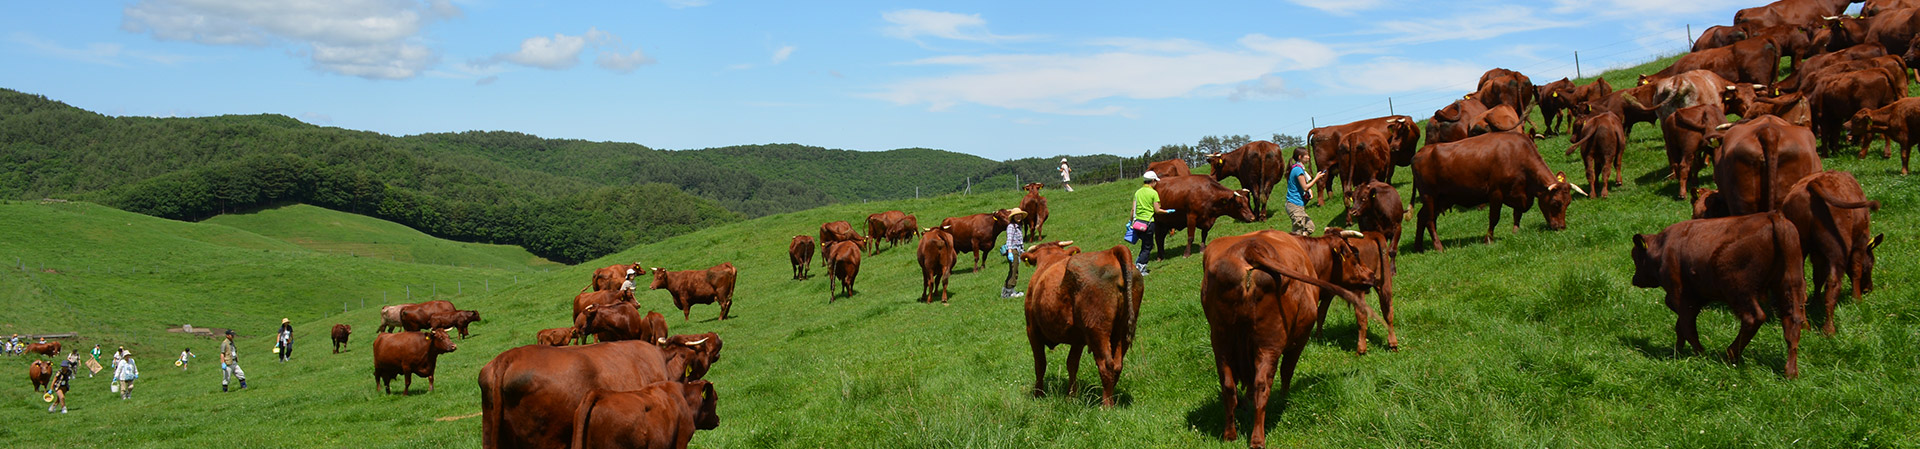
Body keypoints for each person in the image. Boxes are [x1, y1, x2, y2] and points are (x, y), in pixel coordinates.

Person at [1131, 171, 1169, 275]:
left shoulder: (1137, 192)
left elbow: (1133, 210)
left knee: (1144, 245)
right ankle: (1140, 268)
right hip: (1148, 224)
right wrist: (1166, 211)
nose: (1156, 183)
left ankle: (1136, 265)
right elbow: (1157, 210)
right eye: (1155, 181)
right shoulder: (1153, 193)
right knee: (1148, 246)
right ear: (1152, 181)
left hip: (1137, 224)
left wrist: (1131, 222)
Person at [1284, 147, 1327, 236]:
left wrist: (1309, 191)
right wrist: (1317, 178)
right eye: (1306, 155)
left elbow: (1303, 186)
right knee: (1297, 232)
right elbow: (1305, 187)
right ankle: (1295, 246)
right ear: (1300, 157)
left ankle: (1301, 243)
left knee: (1310, 227)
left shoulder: (1298, 168)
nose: (1309, 157)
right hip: (1294, 205)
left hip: (1298, 205)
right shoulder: (1298, 169)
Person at [1000, 208, 1028, 298]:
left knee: (1013, 270)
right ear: (1013, 217)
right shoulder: (1011, 226)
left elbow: (1020, 241)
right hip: (1013, 250)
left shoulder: (1019, 226)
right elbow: (1009, 240)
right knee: (1014, 271)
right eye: (1016, 215)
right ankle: (1010, 292)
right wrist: (1010, 252)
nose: (1018, 216)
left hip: (1018, 250)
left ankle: (1005, 292)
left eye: (1019, 215)